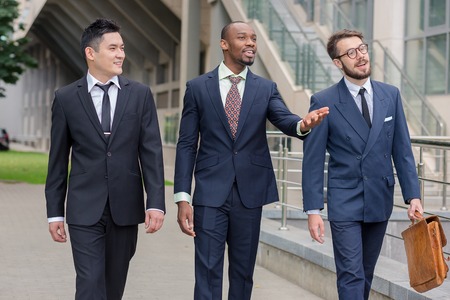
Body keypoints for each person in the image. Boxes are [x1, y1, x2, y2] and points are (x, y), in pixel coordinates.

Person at [174, 21, 329, 300]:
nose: (251, 43)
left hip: (250, 192)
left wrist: (303, 124)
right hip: (210, 192)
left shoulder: (265, 87)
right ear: (224, 44)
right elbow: (186, 144)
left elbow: (285, 120)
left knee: (243, 271)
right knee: (207, 270)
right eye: (243, 37)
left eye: (254, 38)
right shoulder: (197, 87)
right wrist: (183, 197)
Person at [45, 18, 165, 300]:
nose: (121, 54)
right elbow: (57, 161)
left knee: (114, 286)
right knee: (89, 283)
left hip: (125, 207)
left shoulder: (139, 95)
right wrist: (54, 213)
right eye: (113, 48)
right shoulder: (65, 98)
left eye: (122, 47)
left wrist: (156, 203)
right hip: (84, 208)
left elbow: (152, 153)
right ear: (91, 52)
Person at [302, 29, 424, 300]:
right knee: (351, 273)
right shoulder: (324, 101)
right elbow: (312, 160)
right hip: (345, 200)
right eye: (351, 53)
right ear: (338, 62)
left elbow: (402, 150)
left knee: (366, 271)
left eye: (362, 49)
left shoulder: (390, 95)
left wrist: (413, 195)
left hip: (380, 197)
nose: (360, 57)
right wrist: (313, 210)